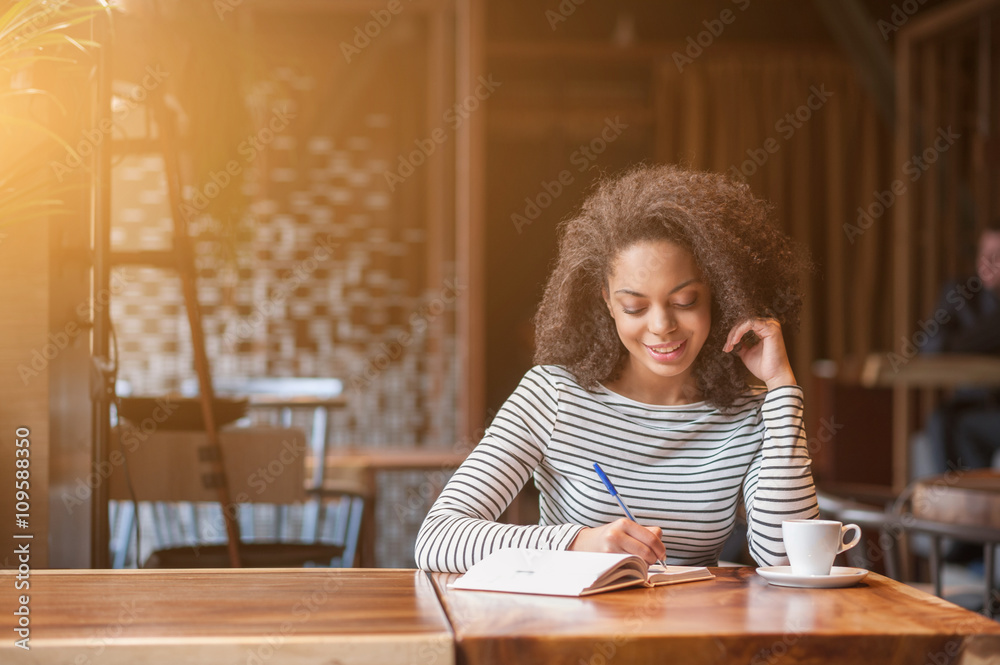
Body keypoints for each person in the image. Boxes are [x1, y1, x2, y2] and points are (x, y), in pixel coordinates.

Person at [415, 164, 819, 574]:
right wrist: (578, 542)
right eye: (635, 307)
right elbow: (438, 538)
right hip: (572, 631)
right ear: (608, 302)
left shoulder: (748, 416)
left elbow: (789, 559)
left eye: (685, 301)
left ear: (719, 291)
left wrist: (782, 387)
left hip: (695, 633)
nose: (662, 326)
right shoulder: (553, 396)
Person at [919, 223, 1000, 476]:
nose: (986, 262)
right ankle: (955, 507)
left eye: (997, 256)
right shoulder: (960, 293)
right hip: (968, 402)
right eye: (982, 254)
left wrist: (958, 343)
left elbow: (946, 345)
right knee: (940, 421)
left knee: (962, 429)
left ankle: (973, 507)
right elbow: (930, 347)